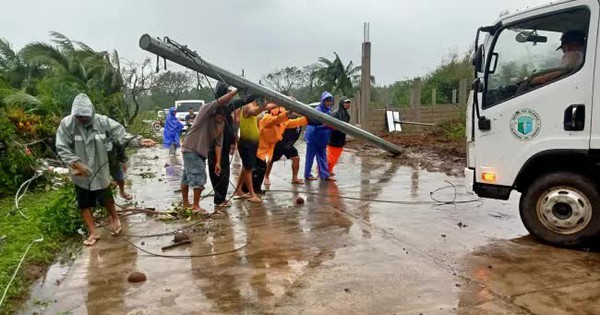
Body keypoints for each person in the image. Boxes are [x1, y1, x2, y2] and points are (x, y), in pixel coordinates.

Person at [55, 93, 156, 246]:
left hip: (100, 168)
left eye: (85, 117)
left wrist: (139, 140)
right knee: (84, 203)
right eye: (79, 117)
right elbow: (61, 147)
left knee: (106, 198)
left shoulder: (103, 122)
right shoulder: (67, 124)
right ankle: (93, 231)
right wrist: (75, 163)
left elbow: (121, 135)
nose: (82, 120)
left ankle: (115, 219)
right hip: (80, 173)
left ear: (91, 112)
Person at [181, 86, 240, 213]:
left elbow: (218, 144)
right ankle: (195, 206)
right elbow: (219, 101)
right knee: (199, 176)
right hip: (192, 148)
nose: (221, 119)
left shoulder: (221, 124)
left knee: (186, 176)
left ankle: (186, 203)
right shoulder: (205, 112)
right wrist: (235, 92)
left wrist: (218, 163)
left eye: (224, 118)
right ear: (216, 112)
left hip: (199, 152)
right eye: (220, 116)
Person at [208, 82, 255, 209]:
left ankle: (221, 198)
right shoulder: (217, 107)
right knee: (219, 173)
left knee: (225, 172)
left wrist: (233, 142)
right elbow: (240, 102)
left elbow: (232, 125)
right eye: (228, 93)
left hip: (225, 145)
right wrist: (250, 96)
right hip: (216, 146)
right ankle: (219, 199)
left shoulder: (226, 108)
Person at [253, 104, 308, 192]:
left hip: (275, 147)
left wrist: (309, 119)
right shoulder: (266, 119)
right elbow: (277, 119)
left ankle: (256, 189)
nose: (282, 117)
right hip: (260, 148)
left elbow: (297, 122)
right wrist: (288, 113)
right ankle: (252, 189)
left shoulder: (284, 122)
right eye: (280, 114)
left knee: (260, 168)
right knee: (257, 169)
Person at [232, 98, 273, 203]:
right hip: (246, 142)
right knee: (249, 168)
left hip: (252, 143)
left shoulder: (255, 106)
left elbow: (267, 107)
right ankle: (252, 194)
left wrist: (281, 104)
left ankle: (238, 190)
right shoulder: (248, 106)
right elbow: (254, 111)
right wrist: (266, 103)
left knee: (246, 166)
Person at [304, 91, 335, 181]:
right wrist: (326, 127)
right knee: (310, 157)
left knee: (323, 157)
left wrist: (332, 128)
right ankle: (307, 174)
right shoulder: (317, 111)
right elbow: (313, 126)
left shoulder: (328, 111)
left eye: (330, 100)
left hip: (322, 139)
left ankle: (324, 175)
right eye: (326, 100)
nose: (328, 103)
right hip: (313, 138)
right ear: (322, 101)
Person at [264, 120, 304, 186]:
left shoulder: (301, 121)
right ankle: (266, 177)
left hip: (289, 145)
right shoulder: (289, 119)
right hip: (280, 143)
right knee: (271, 160)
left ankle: (294, 178)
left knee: (296, 158)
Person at [327, 97, 351, 175]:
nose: (347, 104)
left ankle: (329, 170)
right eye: (345, 103)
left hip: (341, 139)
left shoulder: (346, 114)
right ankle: (322, 171)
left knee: (336, 157)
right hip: (333, 139)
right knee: (330, 157)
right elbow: (330, 126)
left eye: (348, 103)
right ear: (341, 103)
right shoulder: (335, 113)